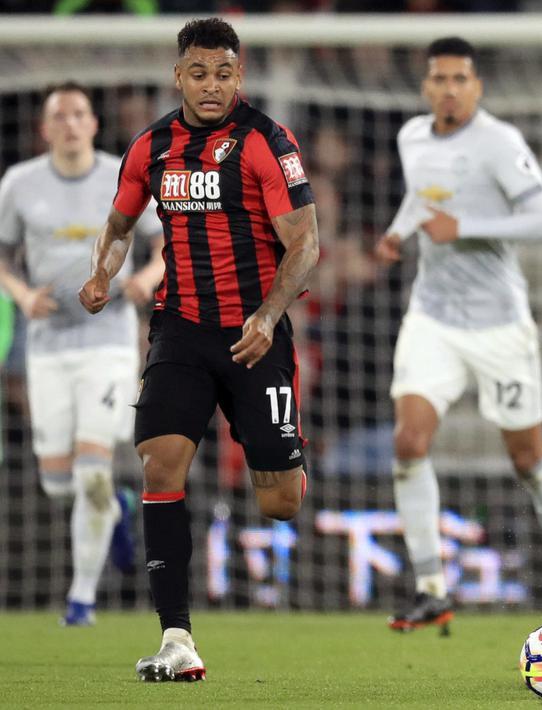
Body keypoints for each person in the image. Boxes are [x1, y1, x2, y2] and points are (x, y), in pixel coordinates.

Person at [78, 18, 319, 682]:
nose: (210, 85)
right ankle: (176, 638)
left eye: (222, 73)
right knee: (160, 466)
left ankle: (288, 453)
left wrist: (270, 314)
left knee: (279, 501)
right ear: (177, 75)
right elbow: (120, 223)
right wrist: (102, 270)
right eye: (197, 72)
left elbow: (305, 243)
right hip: (180, 329)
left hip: (254, 334)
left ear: (238, 76)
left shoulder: (268, 143)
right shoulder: (152, 146)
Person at [375, 36, 542, 630]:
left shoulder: (499, 143)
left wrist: (462, 227)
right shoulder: (412, 136)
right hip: (433, 318)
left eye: (459, 79)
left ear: (477, 86)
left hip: (499, 325)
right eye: (439, 79)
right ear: (426, 87)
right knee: (409, 443)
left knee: (527, 458)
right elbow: (422, 198)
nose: (449, 89)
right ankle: (430, 587)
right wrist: (398, 233)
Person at [0, 82, 163, 627]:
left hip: (108, 338)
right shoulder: (20, 185)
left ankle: (81, 601)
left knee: (92, 470)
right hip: (47, 347)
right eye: (58, 116)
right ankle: (117, 510)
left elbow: (168, 241)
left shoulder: (125, 175)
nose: (69, 124)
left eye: (79, 114)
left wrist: (145, 276)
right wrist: (22, 294)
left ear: (94, 124)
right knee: (57, 483)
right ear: (44, 129)